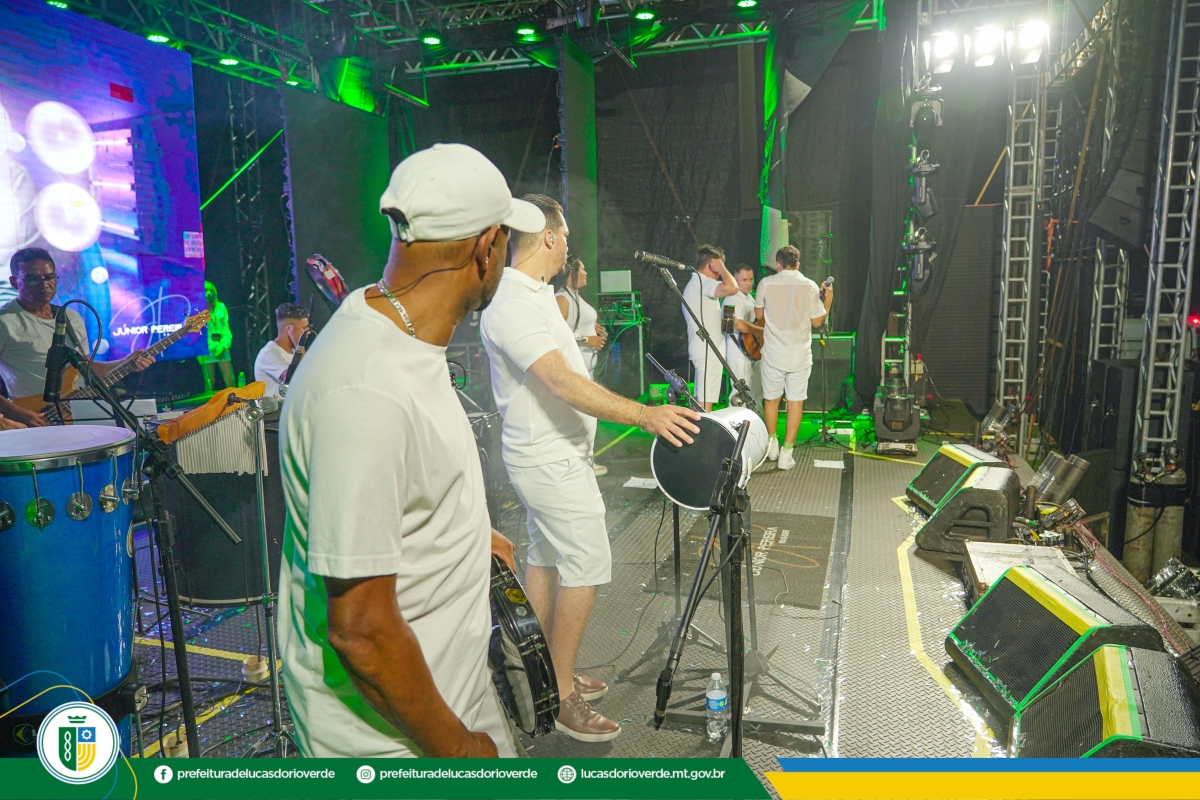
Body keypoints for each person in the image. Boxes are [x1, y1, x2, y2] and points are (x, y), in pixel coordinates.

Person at [277, 143, 547, 759]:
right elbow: (362, 632)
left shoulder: (401, 337)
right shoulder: (366, 388)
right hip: (396, 744)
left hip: (448, 700)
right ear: (486, 248)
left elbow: (403, 488)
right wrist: (461, 750)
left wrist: (468, 534)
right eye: (507, 238)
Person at [481, 194, 700, 743]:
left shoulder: (535, 294)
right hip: (547, 459)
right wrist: (644, 415)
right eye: (567, 237)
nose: (569, 246)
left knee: (548, 558)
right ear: (550, 237)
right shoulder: (513, 302)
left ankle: (538, 673)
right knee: (588, 562)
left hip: (556, 455)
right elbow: (559, 380)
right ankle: (559, 696)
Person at [0, 248, 154, 427]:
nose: (44, 285)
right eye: (33, 279)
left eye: (49, 277)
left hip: (76, 416)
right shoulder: (4, 321)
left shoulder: (71, 318)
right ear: (14, 282)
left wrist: (126, 363)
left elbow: (86, 368)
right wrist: (16, 413)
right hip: (32, 418)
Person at [754, 245, 833, 471]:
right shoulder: (809, 285)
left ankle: (772, 445)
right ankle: (786, 454)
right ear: (798, 264)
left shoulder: (765, 284)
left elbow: (758, 315)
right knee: (795, 402)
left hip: (772, 354)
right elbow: (817, 321)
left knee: (771, 400)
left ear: (778, 264)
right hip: (799, 355)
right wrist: (828, 299)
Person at [554, 255, 609, 477]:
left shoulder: (575, 297)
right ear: (572, 272)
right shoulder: (562, 298)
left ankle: (586, 460)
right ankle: (582, 463)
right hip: (576, 368)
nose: (586, 273)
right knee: (582, 415)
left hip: (587, 367)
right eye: (582, 270)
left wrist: (592, 328)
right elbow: (558, 334)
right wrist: (588, 339)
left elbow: (574, 325)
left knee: (588, 415)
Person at [681, 244, 738, 412]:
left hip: (706, 351)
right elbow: (732, 288)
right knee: (705, 405)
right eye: (718, 267)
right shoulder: (702, 283)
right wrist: (722, 268)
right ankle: (703, 430)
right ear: (712, 264)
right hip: (707, 352)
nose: (720, 274)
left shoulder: (698, 284)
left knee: (702, 402)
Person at [723, 264, 763, 410]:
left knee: (755, 394)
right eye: (744, 280)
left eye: (751, 279)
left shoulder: (750, 298)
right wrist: (761, 331)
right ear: (735, 280)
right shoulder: (731, 299)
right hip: (738, 352)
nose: (749, 283)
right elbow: (734, 324)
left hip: (752, 351)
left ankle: (754, 421)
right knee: (739, 395)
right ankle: (734, 423)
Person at [253, 303, 311, 397]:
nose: (308, 332)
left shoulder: (295, 353)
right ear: (290, 329)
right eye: (304, 328)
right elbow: (295, 378)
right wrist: (300, 344)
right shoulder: (268, 353)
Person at [198, 280, 234, 392]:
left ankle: (235, 401)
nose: (208, 293)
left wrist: (223, 346)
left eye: (211, 291)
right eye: (205, 290)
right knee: (209, 383)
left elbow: (226, 329)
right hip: (206, 349)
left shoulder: (221, 307)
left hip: (221, 346)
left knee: (230, 380)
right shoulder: (197, 309)